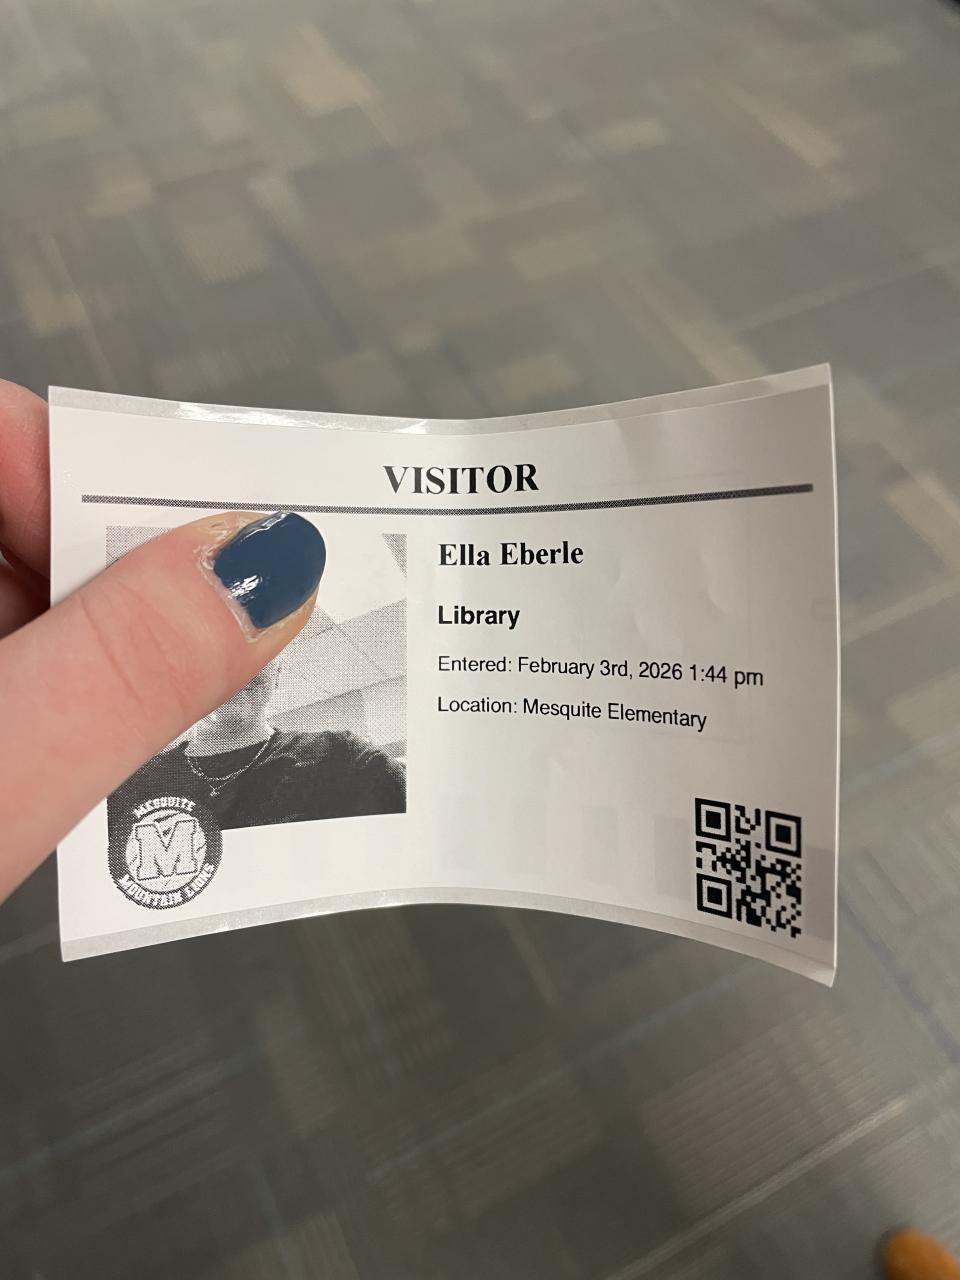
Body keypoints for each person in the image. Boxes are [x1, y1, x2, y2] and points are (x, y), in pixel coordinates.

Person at [0, 382, 958, 1279]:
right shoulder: (132, 773)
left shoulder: (339, 756)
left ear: (282, 669)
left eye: (264, 670)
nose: (249, 681)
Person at [108, 655, 404, 835]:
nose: (232, 664)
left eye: (255, 641)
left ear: (278, 673)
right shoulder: (126, 792)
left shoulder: (347, 764)